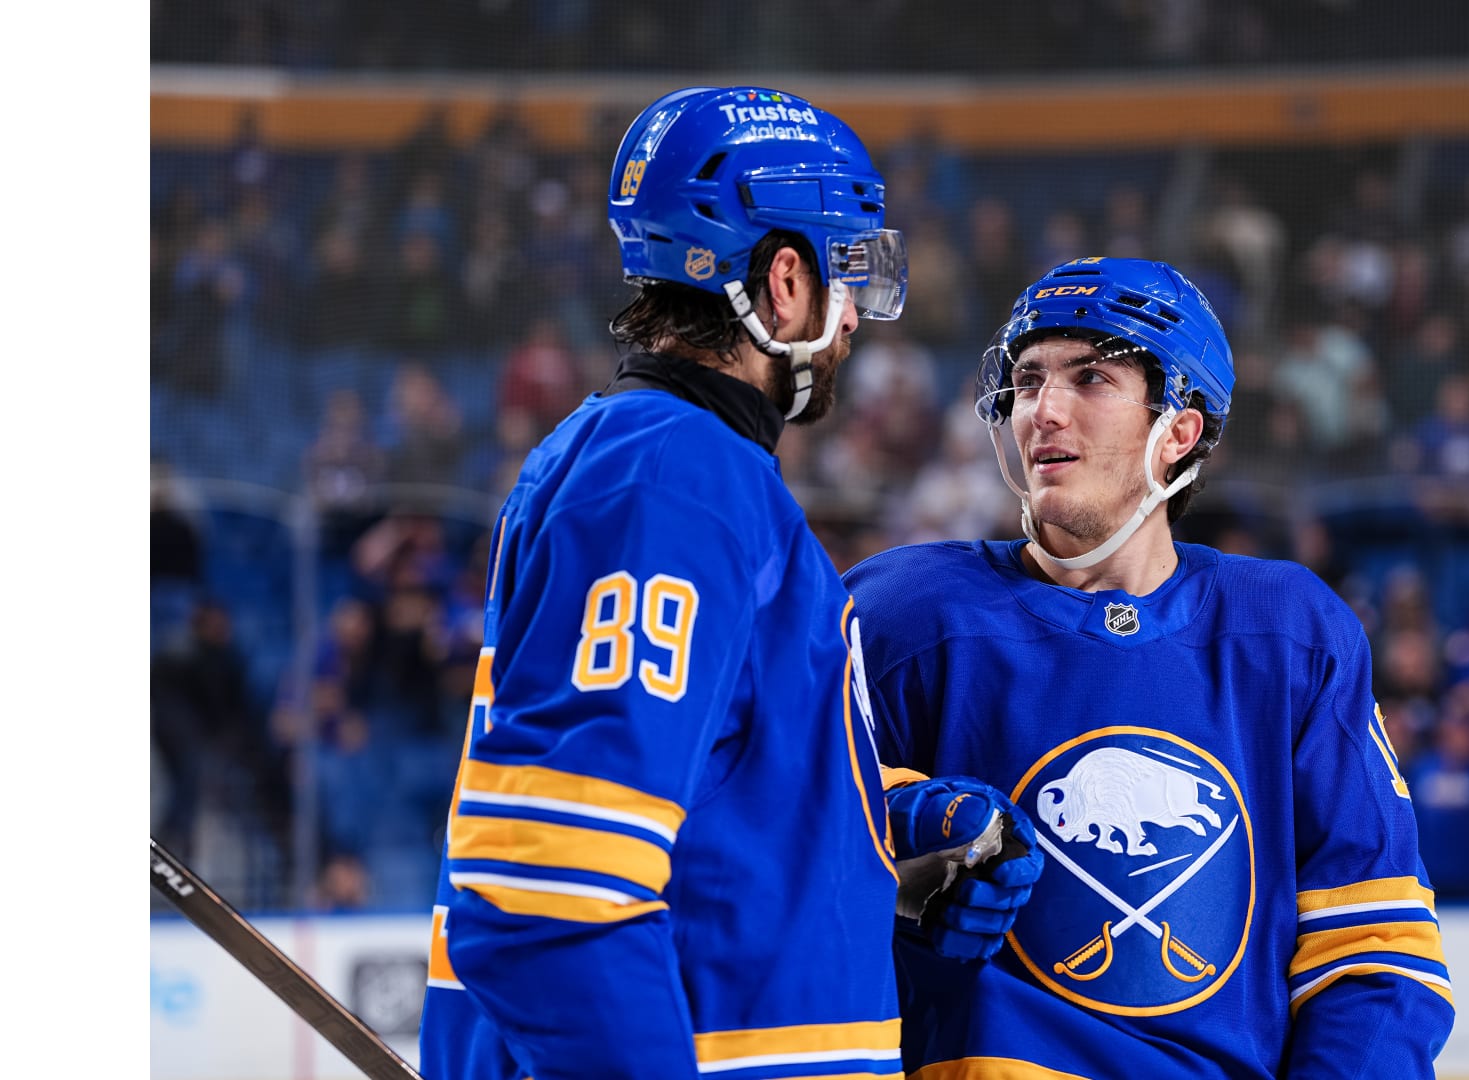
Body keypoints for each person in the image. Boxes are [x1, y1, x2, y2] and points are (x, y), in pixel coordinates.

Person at [418, 86, 1026, 1080]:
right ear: (784, 282)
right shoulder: (673, 479)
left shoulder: (671, 466)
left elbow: (702, 787)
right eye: (846, 272)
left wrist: (879, 825)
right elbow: (552, 890)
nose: (853, 317)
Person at [845, 257, 1455, 1078]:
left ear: (1179, 432)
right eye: (1028, 381)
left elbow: (1376, 950)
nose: (1043, 411)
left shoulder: (1290, 633)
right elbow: (765, 822)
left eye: (1090, 378)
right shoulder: (902, 614)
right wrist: (885, 834)